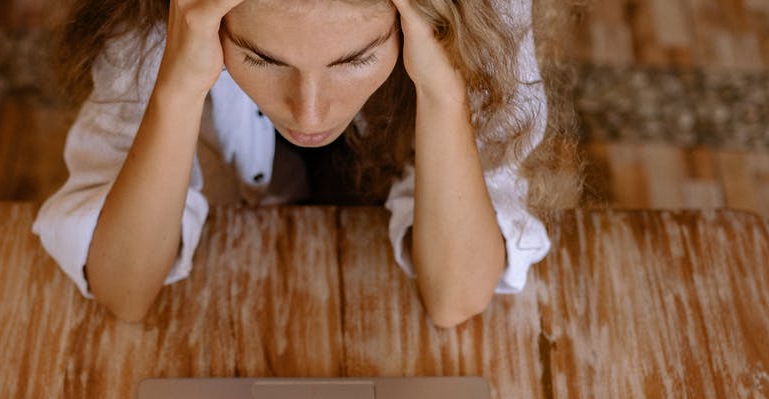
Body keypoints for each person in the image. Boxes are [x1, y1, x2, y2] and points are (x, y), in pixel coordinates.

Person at [34, 0, 552, 327]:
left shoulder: (482, 12)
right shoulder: (159, 15)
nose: (309, 114)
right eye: (261, 58)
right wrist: (177, 88)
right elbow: (123, 291)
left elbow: (456, 298)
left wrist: (443, 92)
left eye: (355, 59)